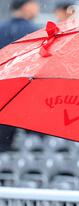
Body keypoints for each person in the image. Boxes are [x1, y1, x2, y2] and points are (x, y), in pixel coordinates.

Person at [0, 0, 40, 152]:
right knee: (35, 146)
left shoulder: (1, 29)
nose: (36, 8)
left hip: (3, 94)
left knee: (3, 147)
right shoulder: (34, 31)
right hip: (28, 95)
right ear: (26, 6)